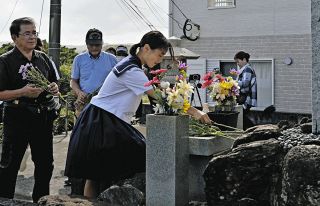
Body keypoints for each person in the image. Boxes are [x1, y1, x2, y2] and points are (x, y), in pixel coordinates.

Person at [64, 31, 211, 198]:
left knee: (96, 174)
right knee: (138, 156)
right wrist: (195, 112)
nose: (159, 60)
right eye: (159, 55)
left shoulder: (133, 65)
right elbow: (162, 97)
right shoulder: (132, 70)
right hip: (103, 120)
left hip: (102, 119)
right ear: (146, 48)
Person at [0, 17, 61, 202]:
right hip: (17, 117)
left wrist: (54, 88)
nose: (32, 37)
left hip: (42, 118)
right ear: (14, 37)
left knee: (45, 165)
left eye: (34, 32)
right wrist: (23, 92)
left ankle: (41, 201)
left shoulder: (42, 58)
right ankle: (5, 200)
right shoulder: (5, 61)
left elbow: (54, 81)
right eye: (27, 33)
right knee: (10, 165)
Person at [70, 28, 117, 117]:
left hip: (106, 105)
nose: (94, 48)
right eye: (91, 45)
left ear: (102, 43)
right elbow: (73, 81)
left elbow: (119, 81)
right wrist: (79, 92)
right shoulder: (79, 59)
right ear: (86, 44)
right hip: (85, 104)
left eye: (97, 45)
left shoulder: (112, 59)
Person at [234, 51, 257, 129]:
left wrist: (233, 83)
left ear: (244, 59)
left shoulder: (247, 69)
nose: (237, 63)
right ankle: (253, 130)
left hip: (246, 98)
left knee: (241, 116)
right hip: (245, 97)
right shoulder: (245, 69)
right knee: (242, 116)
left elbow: (245, 83)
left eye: (238, 61)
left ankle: (253, 130)